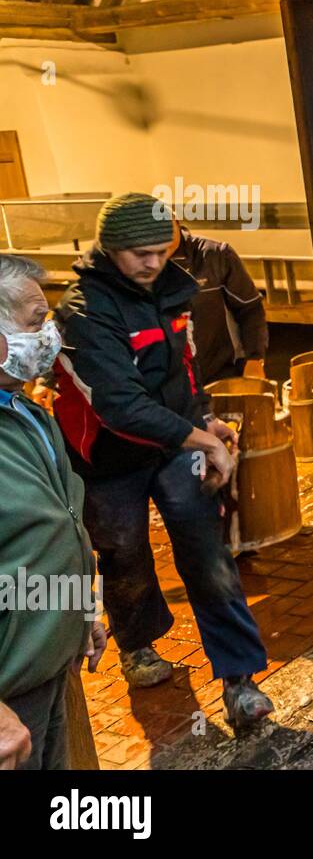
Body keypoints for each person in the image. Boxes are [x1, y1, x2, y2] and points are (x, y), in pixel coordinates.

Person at [52, 193, 274, 732]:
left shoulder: (171, 287)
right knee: (124, 552)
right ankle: (138, 644)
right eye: (138, 254)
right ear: (110, 248)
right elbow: (118, 404)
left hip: (174, 444)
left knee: (207, 550)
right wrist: (202, 440)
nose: (152, 263)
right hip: (107, 457)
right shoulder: (84, 310)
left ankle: (241, 677)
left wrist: (206, 420)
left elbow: (184, 371)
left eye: (160, 250)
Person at [0, 254, 106, 769]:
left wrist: (81, 606)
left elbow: (56, 524)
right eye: (34, 322)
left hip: (46, 664)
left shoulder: (24, 410)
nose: (49, 334)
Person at [171, 227, 269, 384]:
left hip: (223, 375)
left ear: (175, 221)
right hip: (173, 386)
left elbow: (250, 308)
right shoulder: (140, 267)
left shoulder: (216, 256)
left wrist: (254, 359)